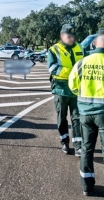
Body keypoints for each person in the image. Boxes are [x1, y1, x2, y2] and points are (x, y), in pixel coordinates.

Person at [69, 28, 104, 196]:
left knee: (86, 149)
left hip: (85, 113)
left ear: (94, 42)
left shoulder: (82, 62)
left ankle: (87, 186)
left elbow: (73, 85)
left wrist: (83, 98)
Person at [47, 24, 86, 156]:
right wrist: (74, 72)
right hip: (61, 90)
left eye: (73, 36)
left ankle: (78, 145)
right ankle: (64, 142)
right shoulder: (53, 50)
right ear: (61, 36)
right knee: (62, 118)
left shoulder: (80, 47)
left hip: (77, 90)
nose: (71, 38)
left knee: (77, 118)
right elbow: (52, 68)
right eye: (68, 36)